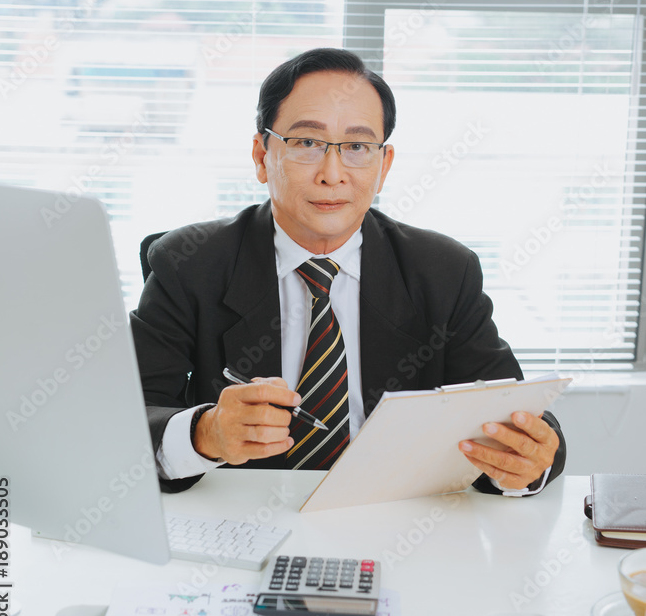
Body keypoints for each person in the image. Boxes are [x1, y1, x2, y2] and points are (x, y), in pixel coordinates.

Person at [131, 48, 565, 494]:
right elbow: (123, 415)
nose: (332, 173)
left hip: (396, 518)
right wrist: (206, 433)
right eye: (306, 143)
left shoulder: (442, 271)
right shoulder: (189, 262)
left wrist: (525, 462)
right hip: (238, 523)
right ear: (262, 156)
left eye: (357, 147)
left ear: (384, 165)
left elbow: (513, 413)